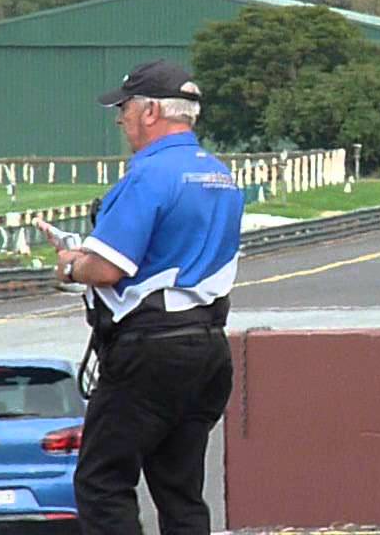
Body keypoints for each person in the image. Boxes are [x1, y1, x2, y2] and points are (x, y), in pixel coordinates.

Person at [36, 59, 243, 535]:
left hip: (149, 350)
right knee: (180, 491)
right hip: (208, 347)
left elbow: (108, 268)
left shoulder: (147, 175)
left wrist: (69, 264)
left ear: (150, 111)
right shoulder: (221, 176)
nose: (119, 119)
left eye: (124, 108)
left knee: (102, 482)